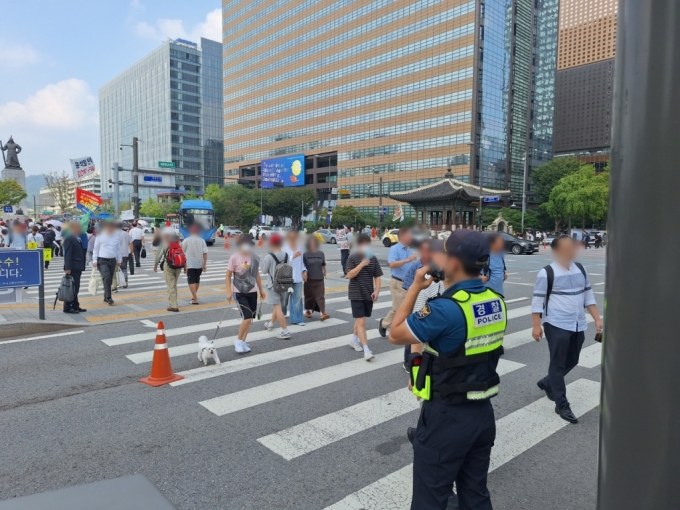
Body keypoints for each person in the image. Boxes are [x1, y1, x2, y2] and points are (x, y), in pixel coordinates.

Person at [389, 230, 506, 510]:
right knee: (475, 494)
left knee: (430, 499)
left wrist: (416, 287)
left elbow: (395, 333)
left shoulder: (445, 310)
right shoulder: (495, 301)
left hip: (447, 417)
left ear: (452, 263)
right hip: (482, 413)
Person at [531, 235, 602, 423]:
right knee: (558, 363)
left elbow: (588, 295)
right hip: (556, 323)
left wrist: (596, 318)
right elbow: (537, 301)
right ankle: (562, 405)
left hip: (577, 322)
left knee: (573, 359)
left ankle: (548, 382)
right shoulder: (546, 273)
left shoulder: (580, 268)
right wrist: (536, 325)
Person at [401, 239, 444, 368]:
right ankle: (408, 362)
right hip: (422, 314)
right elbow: (415, 321)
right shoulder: (419, 273)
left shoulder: (453, 282)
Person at [226, 234, 266, 353]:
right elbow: (228, 275)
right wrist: (229, 292)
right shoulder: (234, 257)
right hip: (239, 292)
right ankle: (238, 341)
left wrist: (261, 289)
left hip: (252, 291)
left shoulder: (254, 258)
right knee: (247, 317)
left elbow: (256, 274)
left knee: (250, 319)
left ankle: (243, 341)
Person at [346, 233, 383, 360]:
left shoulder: (373, 258)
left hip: (368, 293)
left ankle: (354, 339)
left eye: (369, 245)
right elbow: (349, 275)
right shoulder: (352, 257)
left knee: (361, 320)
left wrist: (377, 290)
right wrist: (361, 264)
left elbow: (377, 276)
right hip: (356, 293)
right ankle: (366, 350)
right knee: (361, 321)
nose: (367, 247)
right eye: (365, 245)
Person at [379, 227, 416, 337]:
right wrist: (407, 260)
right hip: (397, 282)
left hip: (408, 283)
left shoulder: (408, 249)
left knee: (405, 308)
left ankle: (387, 324)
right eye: (409, 235)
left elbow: (410, 267)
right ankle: (386, 324)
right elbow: (392, 264)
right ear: (403, 236)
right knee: (399, 308)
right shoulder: (395, 249)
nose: (411, 237)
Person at [260, 234, 292, 339]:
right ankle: (270, 324)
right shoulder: (286, 255)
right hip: (284, 285)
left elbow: (264, 271)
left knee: (277, 307)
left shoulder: (269, 256)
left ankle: (285, 331)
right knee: (277, 305)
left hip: (273, 285)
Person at [154, 228, 183, 312]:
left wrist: (155, 266)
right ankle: (173, 302)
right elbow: (183, 255)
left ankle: (174, 305)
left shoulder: (165, 243)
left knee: (171, 285)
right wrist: (185, 267)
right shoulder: (179, 243)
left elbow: (158, 256)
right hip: (179, 266)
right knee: (174, 284)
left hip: (169, 265)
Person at [92, 221, 122, 306]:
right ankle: (109, 297)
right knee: (107, 277)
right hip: (102, 261)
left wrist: (119, 260)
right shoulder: (100, 237)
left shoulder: (116, 237)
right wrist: (94, 260)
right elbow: (96, 249)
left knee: (110, 279)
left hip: (112, 260)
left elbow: (118, 249)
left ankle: (106, 296)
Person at [282, 230, 307, 326]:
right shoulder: (284, 248)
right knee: (284, 299)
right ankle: (282, 312)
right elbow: (283, 263)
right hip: (286, 277)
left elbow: (302, 262)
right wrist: (293, 256)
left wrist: (304, 271)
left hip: (298, 277)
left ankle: (297, 319)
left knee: (297, 299)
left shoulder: (300, 247)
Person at [62, 221, 87, 314]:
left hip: (77, 266)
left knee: (76, 286)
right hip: (72, 267)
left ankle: (75, 305)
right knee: (71, 287)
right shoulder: (69, 238)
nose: (79, 229)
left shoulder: (77, 238)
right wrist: (68, 268)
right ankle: (67, 306)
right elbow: (67, 254)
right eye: (78, 227)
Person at [303, 236, 329, 321]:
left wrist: (325, 272)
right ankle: (308, 311)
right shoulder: (305, 254)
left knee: (320, 295)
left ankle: (322, 313)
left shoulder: (321, 253)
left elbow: (323, 264)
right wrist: (304, 273)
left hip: (319, 278)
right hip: (309, 279)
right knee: (309, 295)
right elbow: (302, 266)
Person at [182, 224, 208, 305]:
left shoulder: (186, 240)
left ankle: (195, 299)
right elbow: (205, 253)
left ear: (190, 231)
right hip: (199, 263)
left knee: (191, 280)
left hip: (189, 264)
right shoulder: (202, 240)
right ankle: (194, 297)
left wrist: (184, 265)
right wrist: (204, 264)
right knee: (197, 279)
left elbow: (182, 253)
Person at [115, 222, 133, 288]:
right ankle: (125, 282)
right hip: (125, 253)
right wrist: (131, 252)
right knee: (124, 268)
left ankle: (116, 283)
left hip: (115, 254)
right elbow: (131, 243)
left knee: (116, 269)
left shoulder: (113, 234)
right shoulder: (126, 234)